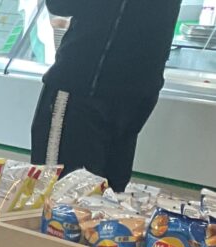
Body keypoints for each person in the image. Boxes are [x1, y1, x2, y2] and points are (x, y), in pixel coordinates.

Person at [30, 0, 182, 192]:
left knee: (59, 192)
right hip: (137, 91)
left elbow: (61, 5)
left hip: (87, 86)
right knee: (107, 197)